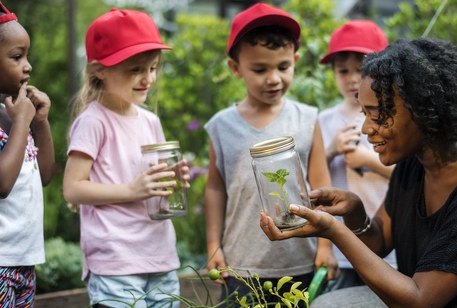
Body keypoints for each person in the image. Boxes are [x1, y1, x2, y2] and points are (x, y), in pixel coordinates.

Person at [260, 37, 457, 307]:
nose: (366, 129)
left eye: (378, 115)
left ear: (425, 109)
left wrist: (333, 231)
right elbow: (379, 242)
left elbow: (420, 300)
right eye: (364, 113)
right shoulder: (412, 166)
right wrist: (354, 210)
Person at [204, 2, 338, 306]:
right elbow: (214, 188)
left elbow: (321, 185)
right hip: (241, 265)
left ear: (296, 60)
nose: (274, 78)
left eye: (283, 67)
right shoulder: (222, 126)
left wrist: (325, 247)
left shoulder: (307, 118)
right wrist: (214, 245)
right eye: (260, 69)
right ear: (235, 68)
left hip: (301, 261)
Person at [62, 8, 189, 308]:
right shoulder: (94, 122)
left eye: (153, 68)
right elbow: (73, 188)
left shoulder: (149, 121)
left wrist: (171, 181)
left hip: (159, 256)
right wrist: (132, 190)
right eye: (135, 69)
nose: (148, 78)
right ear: (99, 70)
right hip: (115, 262)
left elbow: (153, 188)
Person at [317, 20, 397, 291]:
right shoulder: (323, 121)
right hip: (343, 250)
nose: (352, 78)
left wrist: (367, 161)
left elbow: (409, 175)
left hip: (389, 243)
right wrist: (331, 151)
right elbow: (311, 175)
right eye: (343, 71)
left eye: (361, 70)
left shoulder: (393, 119)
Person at [0, 2, 55, 307]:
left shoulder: (11, 115)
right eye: (17, 56)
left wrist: (40, 121)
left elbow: (44, 175)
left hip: (23, 260)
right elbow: (2, 184)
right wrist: (23, 121)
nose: (28, 66)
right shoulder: (16, 118)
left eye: (27, 56)